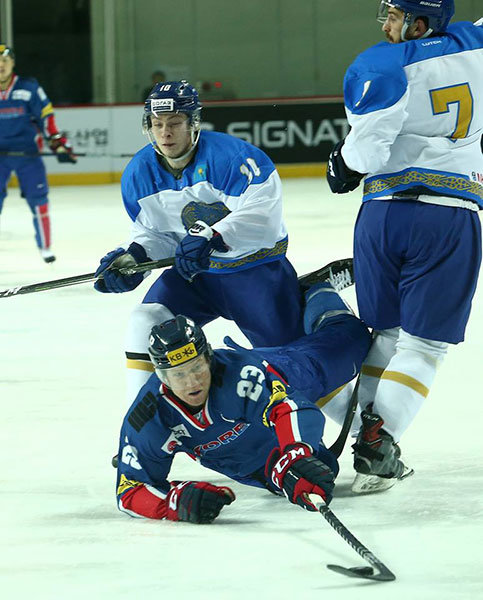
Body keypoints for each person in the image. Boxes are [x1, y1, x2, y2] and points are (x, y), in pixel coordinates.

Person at [326, 1, 483, 494]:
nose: (386, 25)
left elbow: (365, 154)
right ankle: (378, 441)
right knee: (424, 346)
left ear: (419, 23)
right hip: (447, 215)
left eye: (394, 16)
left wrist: (340, 165)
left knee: (388, 335)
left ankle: (368, 436)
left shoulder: (379, 64)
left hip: (381, 217)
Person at [94, 80, 306, 406]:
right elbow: (155, 233)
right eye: (158, 124)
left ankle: (364, 437)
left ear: (194, 123)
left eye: (175, 123)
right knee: (144, 321)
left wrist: (213, 236)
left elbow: (264, 218)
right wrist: (134, 258)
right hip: (194, 277)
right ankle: (137, 426)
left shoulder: (232, 157)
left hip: (253, 275)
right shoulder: (139, 173)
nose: (166, 133)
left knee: (292, 365)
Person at [115, 281, 372, 522]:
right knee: (322, 472)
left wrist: (295, 453)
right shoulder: (149, 416)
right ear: (162, 377)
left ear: (209, 358)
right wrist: (175, 503)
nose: (192, 382)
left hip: (289, 372)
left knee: (353, 337)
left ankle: (317, 291)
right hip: (251, 457)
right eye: (179, 374)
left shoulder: (238, 375)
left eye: (196, 368)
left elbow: (290, 408)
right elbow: (129, 491)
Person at [0, 44, 76, 263]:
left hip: (28, 155)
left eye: (5, 61)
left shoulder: (29, 88)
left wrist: (59, 145)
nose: (1, 66)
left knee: (39, 201)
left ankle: (45, 247)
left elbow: (46, 117)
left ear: (13, 63)